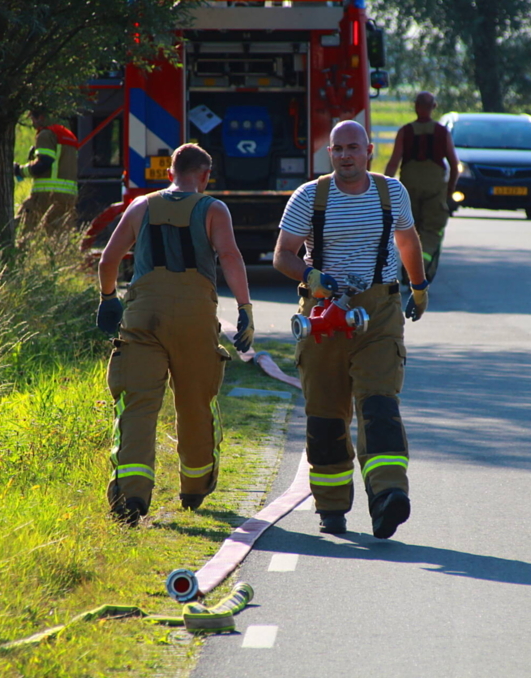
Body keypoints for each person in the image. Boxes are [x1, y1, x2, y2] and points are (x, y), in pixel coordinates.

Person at [273, 120, 428, 539]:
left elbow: (407, 240)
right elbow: (282, 256)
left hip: (378, 312)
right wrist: (310, 275)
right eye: (337, 148)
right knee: (326, 414)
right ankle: (332, 507)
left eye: (353, 148)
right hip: (323, 315)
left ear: (369, 151)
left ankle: (388, 497)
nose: (345, 155)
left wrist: (419, 287)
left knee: (379, 404)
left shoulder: (391, 192)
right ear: (330, 154)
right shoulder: (309, 196)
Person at [95, 143, 254, 526]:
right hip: (195, 316)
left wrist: (107, 298)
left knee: (137, 404)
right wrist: (245, 309)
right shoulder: (213, 209)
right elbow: (230, 257)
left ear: (170, 173)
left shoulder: (141, 206)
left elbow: (108, 259)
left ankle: (131, 495)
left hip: (144, 316)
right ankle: (195, 486)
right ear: (205, 176)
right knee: (196, 401)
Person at [384, 91, 459, 283]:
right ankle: (420, 271)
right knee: (432, 232)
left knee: (410, 231)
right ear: (433, 107)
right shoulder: (442, 132)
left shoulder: (405, 131)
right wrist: (449, 192)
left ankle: (409, 270)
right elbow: (454, 164)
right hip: (435, 190)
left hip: (409, 190)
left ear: (416, 107)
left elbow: (393, 163)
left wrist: (383, 191)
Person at [14, 111, 79, 238]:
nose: (33, 123)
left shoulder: (46, 134)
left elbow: (44, 163)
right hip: (69, 196)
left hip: (47, 193)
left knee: (22, 228)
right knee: (57, 235)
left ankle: (19, 256)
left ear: (41, 117)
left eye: (33, 118)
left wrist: (19, 170)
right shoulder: (69, 135)